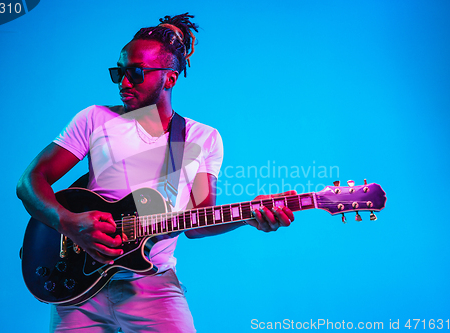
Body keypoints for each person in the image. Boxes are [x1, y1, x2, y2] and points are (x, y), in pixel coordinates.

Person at [17, 13, 295, 333]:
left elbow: (198, 221)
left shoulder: (200, 138)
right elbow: (29, 182)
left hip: (153, 288)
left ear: (170, 78)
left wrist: (248, 215)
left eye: (136, 73)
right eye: (118, 72)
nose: (123, 82)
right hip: (78, 288)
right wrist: (69, 223)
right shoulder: (94, 120)